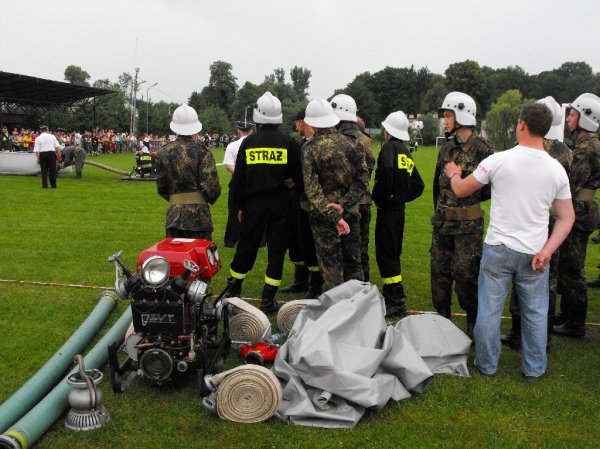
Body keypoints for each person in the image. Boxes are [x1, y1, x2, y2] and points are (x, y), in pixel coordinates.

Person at [445, 103, 574, 378]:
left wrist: (454, 173)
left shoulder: (498, 160)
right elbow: (566, 218)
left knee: (490, 311)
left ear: (522, 125)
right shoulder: (556, 170)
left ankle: (487, 364)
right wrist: (549, 250)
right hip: (535, 252)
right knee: (535, 314)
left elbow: (461, 189)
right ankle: (534, 368)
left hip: (498, 249)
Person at [501, 96, 572, 349]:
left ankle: (519, 332)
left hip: (531, 219)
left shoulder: (529, 147)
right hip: (554, 224)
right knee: (544, 279)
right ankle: (543, 335)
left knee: (521, 274)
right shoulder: (564, 151)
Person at [228, 91, 302, 313]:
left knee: (246, 248)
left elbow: (239, 180)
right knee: (276, 253)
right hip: (281, 204)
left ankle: (234, 291)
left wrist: (240, 207)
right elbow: (300, 176)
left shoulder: (248, 143)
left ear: (257, 116)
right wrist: (290, 182)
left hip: (253, 205)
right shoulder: (290, 143)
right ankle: (268, 300)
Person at [431, 92, 494, 337]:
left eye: (447, 115)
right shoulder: (446, 148)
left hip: (468, 228)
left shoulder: (484, 150)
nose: (444, 121)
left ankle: (473, 325)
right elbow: (438, 186)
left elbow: (488, 189)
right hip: (443, 226)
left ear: (462, 116)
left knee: (466, 276)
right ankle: (443, 324)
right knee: (439, 276)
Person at [302, 98, 369, 290]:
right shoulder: (353, 144)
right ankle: (361, 308)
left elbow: (312, 190)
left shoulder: (309, 149)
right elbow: (363, 180)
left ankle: (336, 313)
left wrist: (333, 215)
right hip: (350, 213)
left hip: (323, 217)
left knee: (331, 267)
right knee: (353, 263)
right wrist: (344, 204)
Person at [554, 93, 600, 338]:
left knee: (573, 268)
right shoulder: (590, 143)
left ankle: (575, 323)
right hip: (584, 209)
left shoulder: (586, 147)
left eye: (573, 114)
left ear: (586, 118)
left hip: (578, 211)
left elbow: (572, 183)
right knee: (568, 266)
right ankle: (567, 313)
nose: (569, 118)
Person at [371, 111, 424, 317]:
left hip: (388, 212)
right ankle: (392, 295)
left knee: (386, 254)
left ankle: (396, 300)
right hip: (399, 211)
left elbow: (384, 176)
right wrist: (401, 197)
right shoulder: (405, 152)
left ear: (387, 131)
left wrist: (382, 197)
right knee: (393, 252)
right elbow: (418, 185)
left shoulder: (388, 149)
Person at [155, 104, 221, 240]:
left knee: (176, 259)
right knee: (200, 259)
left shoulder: (163, 152)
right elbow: (212, 188)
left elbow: (161, 187)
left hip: (174, 217)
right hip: (199, 218)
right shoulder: (202, 152)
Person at [280, 107, 324, 298]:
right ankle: (300, 280)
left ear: (302, 121)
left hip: (310, 199)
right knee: (296, 239)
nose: (295, 125)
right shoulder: (302, 143)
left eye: (296, 122)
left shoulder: (317, 144)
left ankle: (314, 284)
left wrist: (295, 181)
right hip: (296, 197)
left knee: (309, 241)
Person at [331, 94, 375, 282]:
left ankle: (345, 287)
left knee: (342, 249)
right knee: (360, 248)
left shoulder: (337, 139)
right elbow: (369, 168)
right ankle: (364, 284)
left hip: (344, 201)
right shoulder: (365, 140)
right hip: (363, 199)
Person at [222, 120, 253, 248]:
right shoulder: (255, 144)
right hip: (253, 180)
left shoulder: (232, 145)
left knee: (234, 211)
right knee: (254, 210)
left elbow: (228, 165)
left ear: (239, 132)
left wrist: (239, 174)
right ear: (251, 131)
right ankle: (259, 240)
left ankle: (230, 240)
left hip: (237, 181)